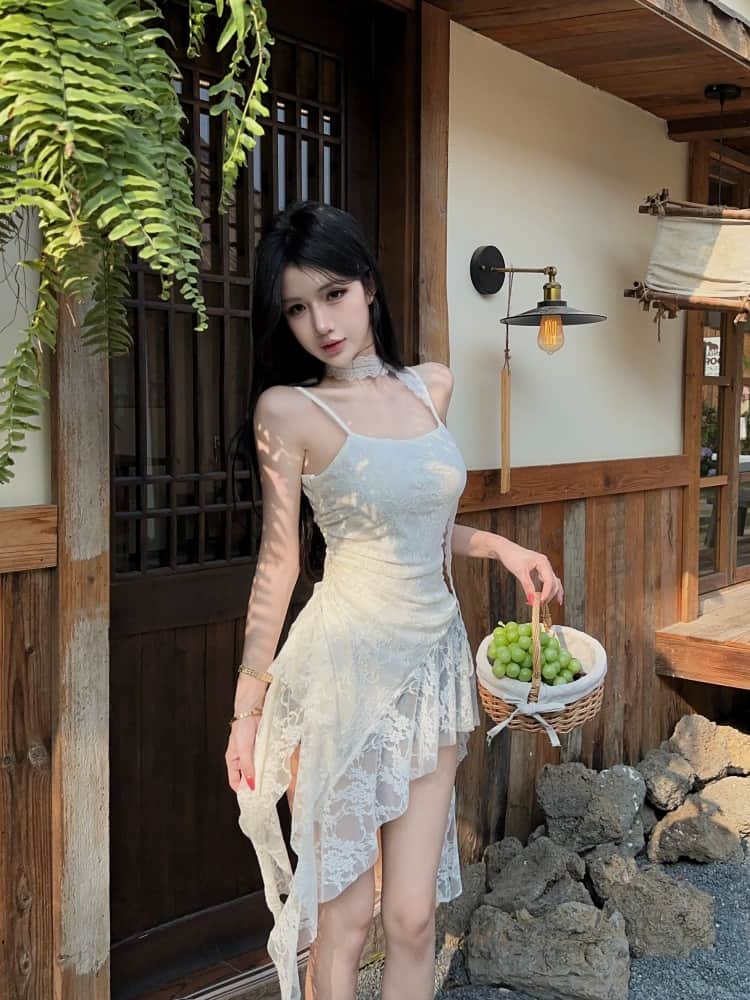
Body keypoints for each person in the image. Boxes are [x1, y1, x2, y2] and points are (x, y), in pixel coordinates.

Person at [225, 202, 563, 1000]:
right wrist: (247, 708)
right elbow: (279, 560)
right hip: (342, 673)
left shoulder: (432, 386)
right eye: (297, 308)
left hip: (431, 669)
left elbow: (420, 522)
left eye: (334, 294)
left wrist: (502, 548)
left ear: (369, 287)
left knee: (411, 918)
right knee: (344, 922)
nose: (320, 323)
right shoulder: (288, 410)